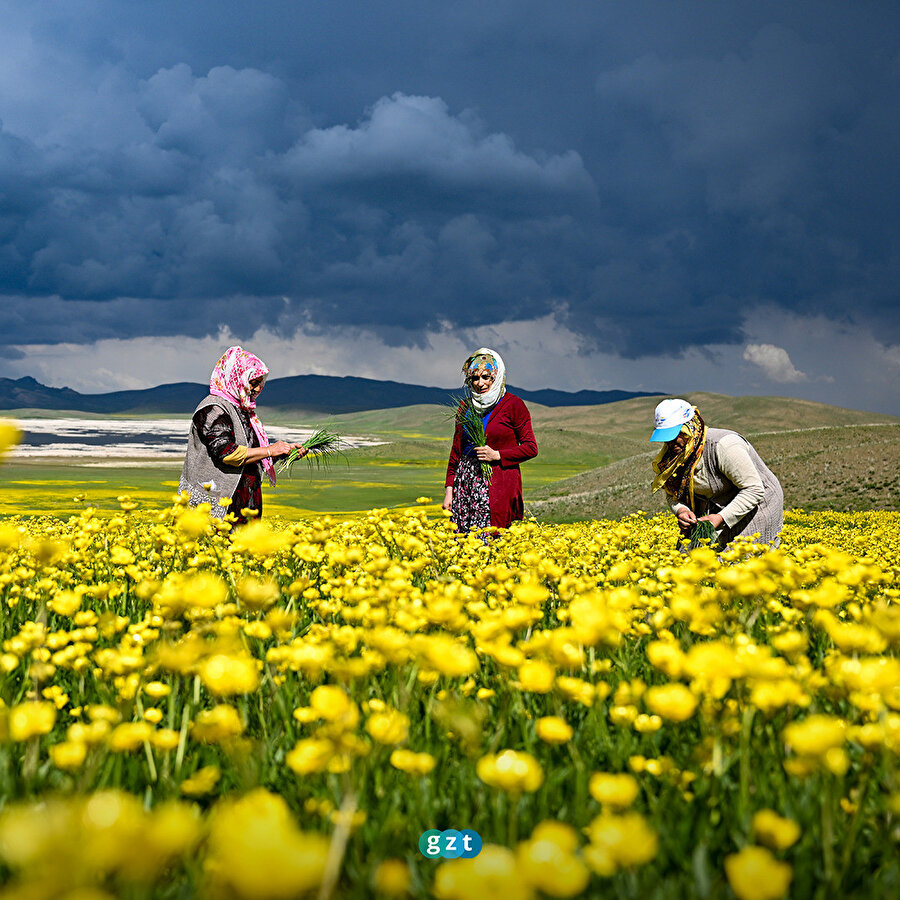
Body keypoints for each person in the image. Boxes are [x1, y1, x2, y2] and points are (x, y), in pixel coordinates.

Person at [179, 346, 306, 523]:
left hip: (242, 504)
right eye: (253, 382)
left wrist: (283, 453)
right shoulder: (214, 409)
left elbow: (251, 453)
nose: (257, 389)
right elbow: (228, 454)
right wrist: (270, 450)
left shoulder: (242, 411)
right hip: (213, 509)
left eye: (260, 383)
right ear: (235, 378)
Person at [649, 398, 783, 548]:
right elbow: (673, 492)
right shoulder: (673, 456)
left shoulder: (723, 446)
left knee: (740, 561)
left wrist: (721, 517)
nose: (670, 443)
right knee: (690, 558)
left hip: (756, 504)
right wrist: (681, 510)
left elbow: (754, 489)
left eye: (675, 435)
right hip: (714, 508)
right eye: (665, 438)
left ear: (690, 427)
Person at [442, 348, 538, 532]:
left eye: (486, 377)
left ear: (497, 376)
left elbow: (531, 448)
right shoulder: (465, 406)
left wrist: (497, 455)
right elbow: (456, 452)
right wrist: (449, 491)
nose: (480, 383)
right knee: (463, 544)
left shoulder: (513, 405)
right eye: (475, 378)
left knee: (492, 540)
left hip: (497, 483)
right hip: (465, 484)